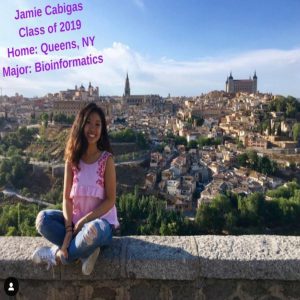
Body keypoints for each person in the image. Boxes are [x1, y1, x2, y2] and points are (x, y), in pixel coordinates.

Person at [32, 102, 119, 275]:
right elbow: (66, 198)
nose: (92, 128)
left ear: (102, 129)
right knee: (43, 220)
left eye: (97, 124)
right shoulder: (72, 160)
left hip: (101, 225)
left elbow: (111, 200)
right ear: (80, 124)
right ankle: (86, 251)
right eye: (88, 122)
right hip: (75, 224)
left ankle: (57, 254)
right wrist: (69, 229)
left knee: (93, 230)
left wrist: (84, 221)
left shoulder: (106, 160)